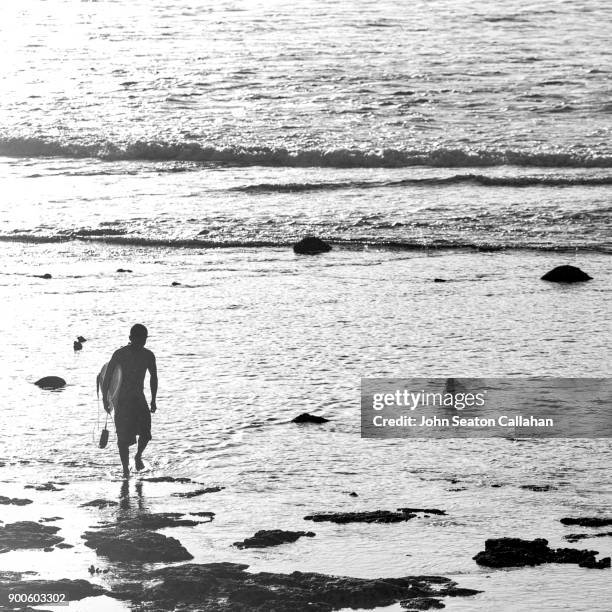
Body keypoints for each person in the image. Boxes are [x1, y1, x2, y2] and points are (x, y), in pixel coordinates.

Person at [102, 324, 157, 478]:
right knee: (123, 439)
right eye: (139, 339)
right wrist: (106, 398)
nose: (142, 342)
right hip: (122, 402)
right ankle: (126, 470)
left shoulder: (148, 355)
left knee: (146, 434)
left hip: (139, 399)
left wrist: (153, 400)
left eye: (144, 339)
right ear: (131, 338)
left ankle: (138, 456)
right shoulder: (120, 354)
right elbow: (107, 376)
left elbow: (154, 377)